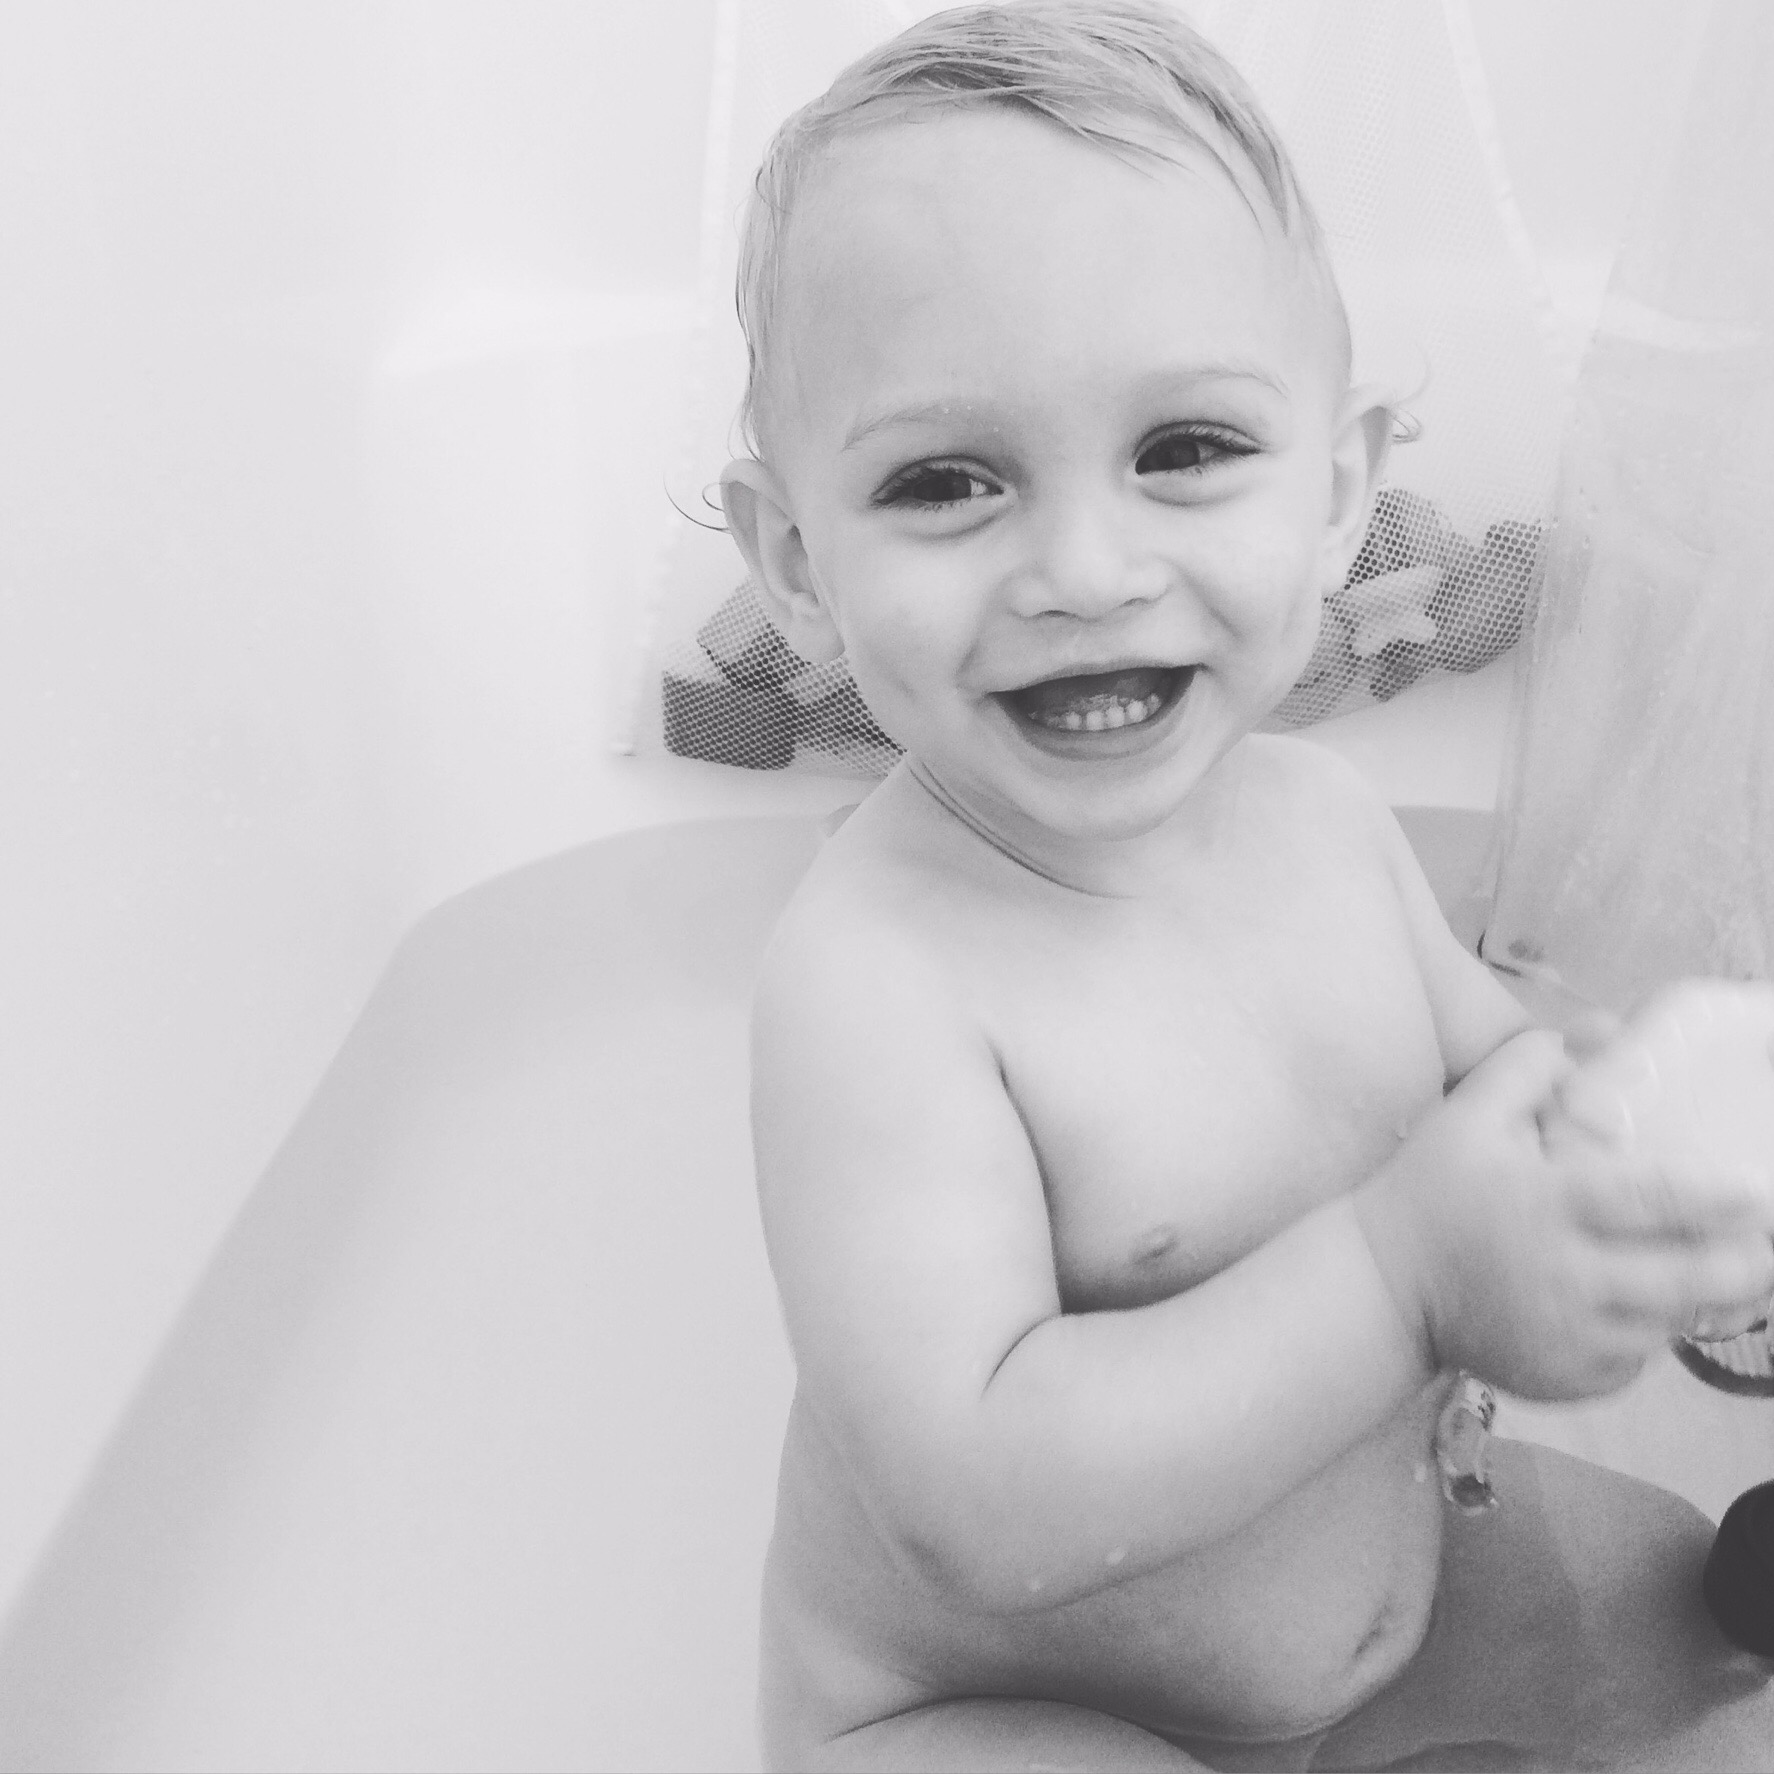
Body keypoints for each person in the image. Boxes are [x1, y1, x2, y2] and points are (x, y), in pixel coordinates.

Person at [716, 4, 1774, 1767]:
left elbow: (1505, 1071)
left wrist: (1653, 1185)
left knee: (1662, 1586)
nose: (1083, 567)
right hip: (1003, 1706)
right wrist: (1406, 1278)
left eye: (1184, 449)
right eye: (945, 481)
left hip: (1363, 1605)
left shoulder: (1326, 824)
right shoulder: (875, 982)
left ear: (1340, 491)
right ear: (796, 562)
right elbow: (976, 1497)